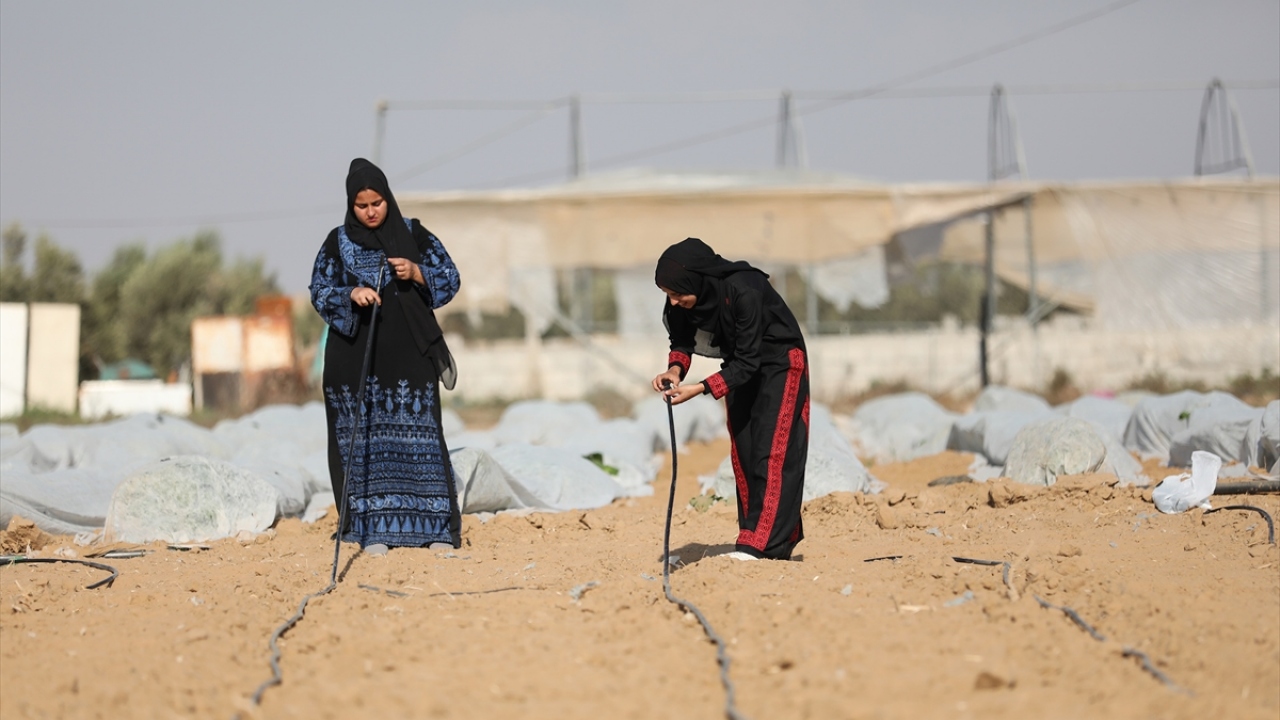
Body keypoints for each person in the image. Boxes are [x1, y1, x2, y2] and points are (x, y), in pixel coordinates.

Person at [309, 158, 461, 556]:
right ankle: (371, 529)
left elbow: (450, 277)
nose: (371, 212)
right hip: (355, 359)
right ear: (350, 205)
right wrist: (350, 294)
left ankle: (433, 528)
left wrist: (417, 272)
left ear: (388, 198)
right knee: (365, 441)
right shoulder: (336, 243)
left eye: (377, 203)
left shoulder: (414, 234)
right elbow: (319, 289)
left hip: (409, 355)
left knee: (419, 435)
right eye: (361, 206)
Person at [651, 238, 809, 561]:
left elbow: (751, 360)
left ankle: (759, 545)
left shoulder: (744, 289)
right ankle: (765, 539)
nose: (674, 302)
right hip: (739, 368)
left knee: (771, 451)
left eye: (678, 294)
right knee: (745, 452)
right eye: (668, 295)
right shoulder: (683, 300)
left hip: (779, 364)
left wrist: (700, 388)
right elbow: (681, 339)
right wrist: (675, 370)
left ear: (696, 280)